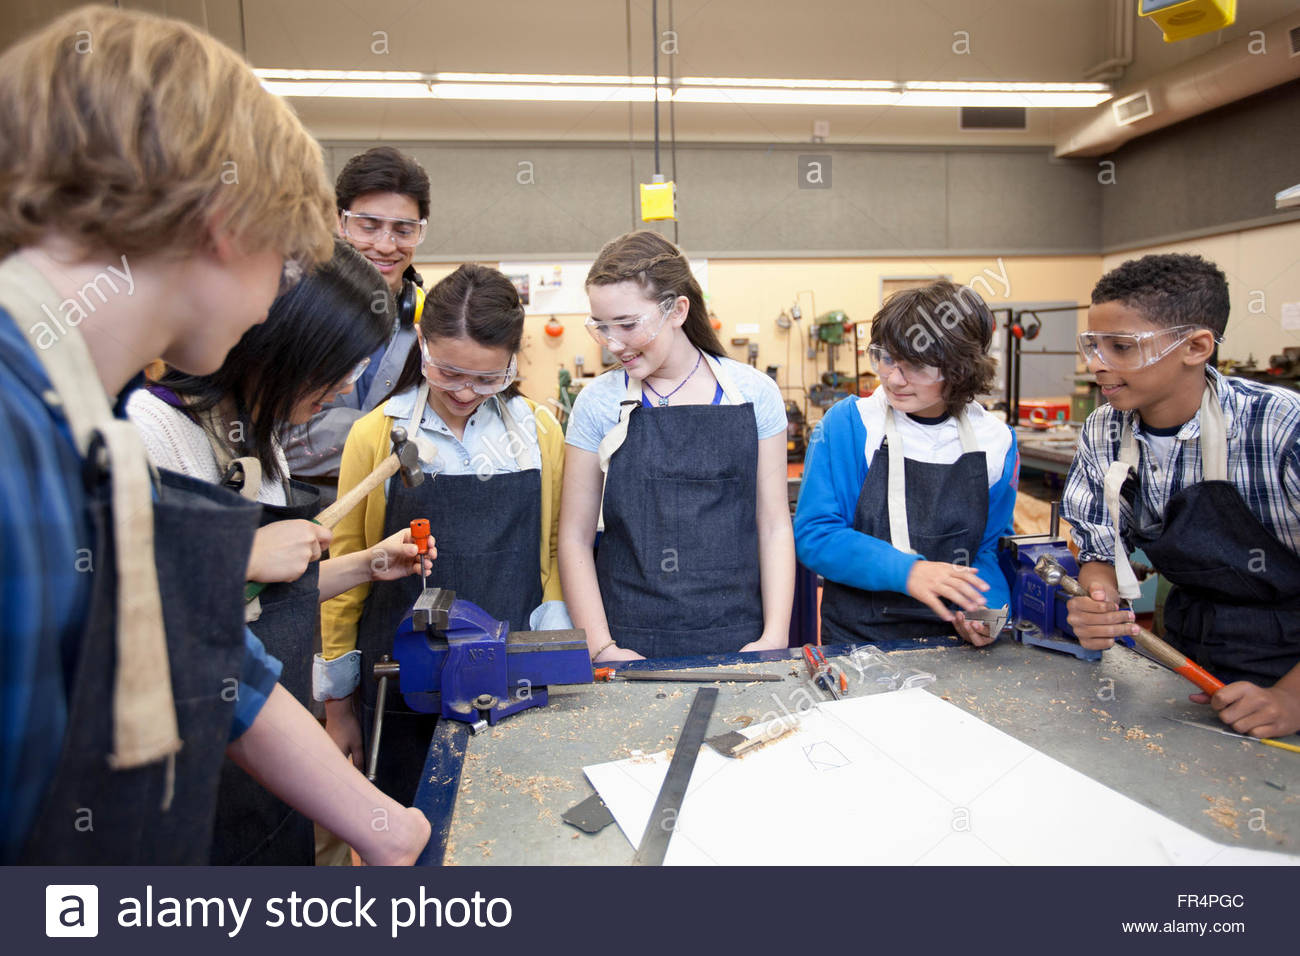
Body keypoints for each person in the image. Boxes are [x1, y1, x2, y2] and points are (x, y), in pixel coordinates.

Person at [0, 4, 428, 864]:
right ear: (227, 225)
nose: (272, 306)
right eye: (280, 264)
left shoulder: (84, 431)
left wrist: (386, 826)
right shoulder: (20, 440)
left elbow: (205, 655)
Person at [127, 238, 434, 863]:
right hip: (188, 782)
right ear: (286, 348)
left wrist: (366, 564)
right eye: (339, 366)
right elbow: (129, 600)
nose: (347, 386)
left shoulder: (256, 436)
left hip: (273, 775)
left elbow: (263, 602)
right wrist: (238, 555)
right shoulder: (147, 431)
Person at [319, 263, 566, 801]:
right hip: (397, 685)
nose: (465, 392)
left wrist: (549, 647)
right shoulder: (376, 434)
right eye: (448, 372)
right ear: (422, 346)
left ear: (512, 363)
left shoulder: (538, 432)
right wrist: (337, 703)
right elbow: (346, 571)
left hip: (509, 681)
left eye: (487, 378)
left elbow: (550, 550)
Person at [1061, 254, 1300, 738]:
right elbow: (1100, 547)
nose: (1095, 364)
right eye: (1093, 345)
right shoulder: (1105, 429)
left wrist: (1291, 699)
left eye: (1121, 347)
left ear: (1195, 346)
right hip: (1189, 649)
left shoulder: (1281, 429)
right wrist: (1098, 600)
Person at [559, 230, 794, 662]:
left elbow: (774, 523)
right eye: (602, 327)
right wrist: (601, 646)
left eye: (628, 325)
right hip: (628, 637)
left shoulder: (752, 393)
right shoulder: (598, 402)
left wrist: (774, 637)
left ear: (678, 310)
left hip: (740, 633)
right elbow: (573, 536)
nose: (613, 343)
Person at [795, 282, 1018, 646]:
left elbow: (986, 549)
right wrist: (908, 572)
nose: (892, 379)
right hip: (859, 639)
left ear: (961, 369)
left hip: (952, 642)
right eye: (885, 357)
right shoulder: (849, 424)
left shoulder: (997, 441)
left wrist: (986, 610)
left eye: (915, 366)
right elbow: (816, 534)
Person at [283, 147, 431, 488]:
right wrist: (388, 439)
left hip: (394, 521)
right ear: (340, 222)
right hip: (304, 513)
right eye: (369, 226)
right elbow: (278, 438)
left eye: (403, 230)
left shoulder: (428, 323)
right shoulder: (289, 308)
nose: (385, 245)